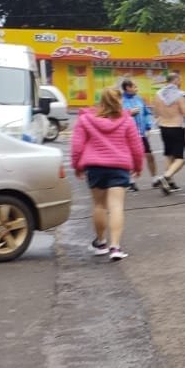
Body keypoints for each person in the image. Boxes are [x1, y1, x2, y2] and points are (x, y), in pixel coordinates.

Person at [70, 86, 144, 261]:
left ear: (101, 101)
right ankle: (115, 247)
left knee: (99, 206)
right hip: (119, 166)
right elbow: (136, 147)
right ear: (119, 101)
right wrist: (138, 166)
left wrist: (77, 166)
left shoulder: (85, 120)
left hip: (95, 167)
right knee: (116, 206)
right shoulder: (127, 121)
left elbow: (77, 146)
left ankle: (101, 243)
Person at [149, 71, 185, 194]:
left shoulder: (158, 95)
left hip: (163, 127)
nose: (181, 82)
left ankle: (169, 183)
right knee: (180, 158)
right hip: (176, 127)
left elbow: (155, 113)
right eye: (180, 80)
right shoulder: (179, 95)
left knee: (169, 155)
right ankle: (166, 177)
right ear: (176, 80)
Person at [119, 77, 156, 192]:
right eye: (135, 86)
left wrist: (149, 125)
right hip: (127, 135)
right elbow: (116, 116)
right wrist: (129, 113)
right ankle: (131, 181)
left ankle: (155, 179)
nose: (137, 89)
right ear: (127, 88)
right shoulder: (120, 101)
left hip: (141, 133)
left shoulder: (139, 99)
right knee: (130, 158)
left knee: (149, 155)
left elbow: (146, 113)